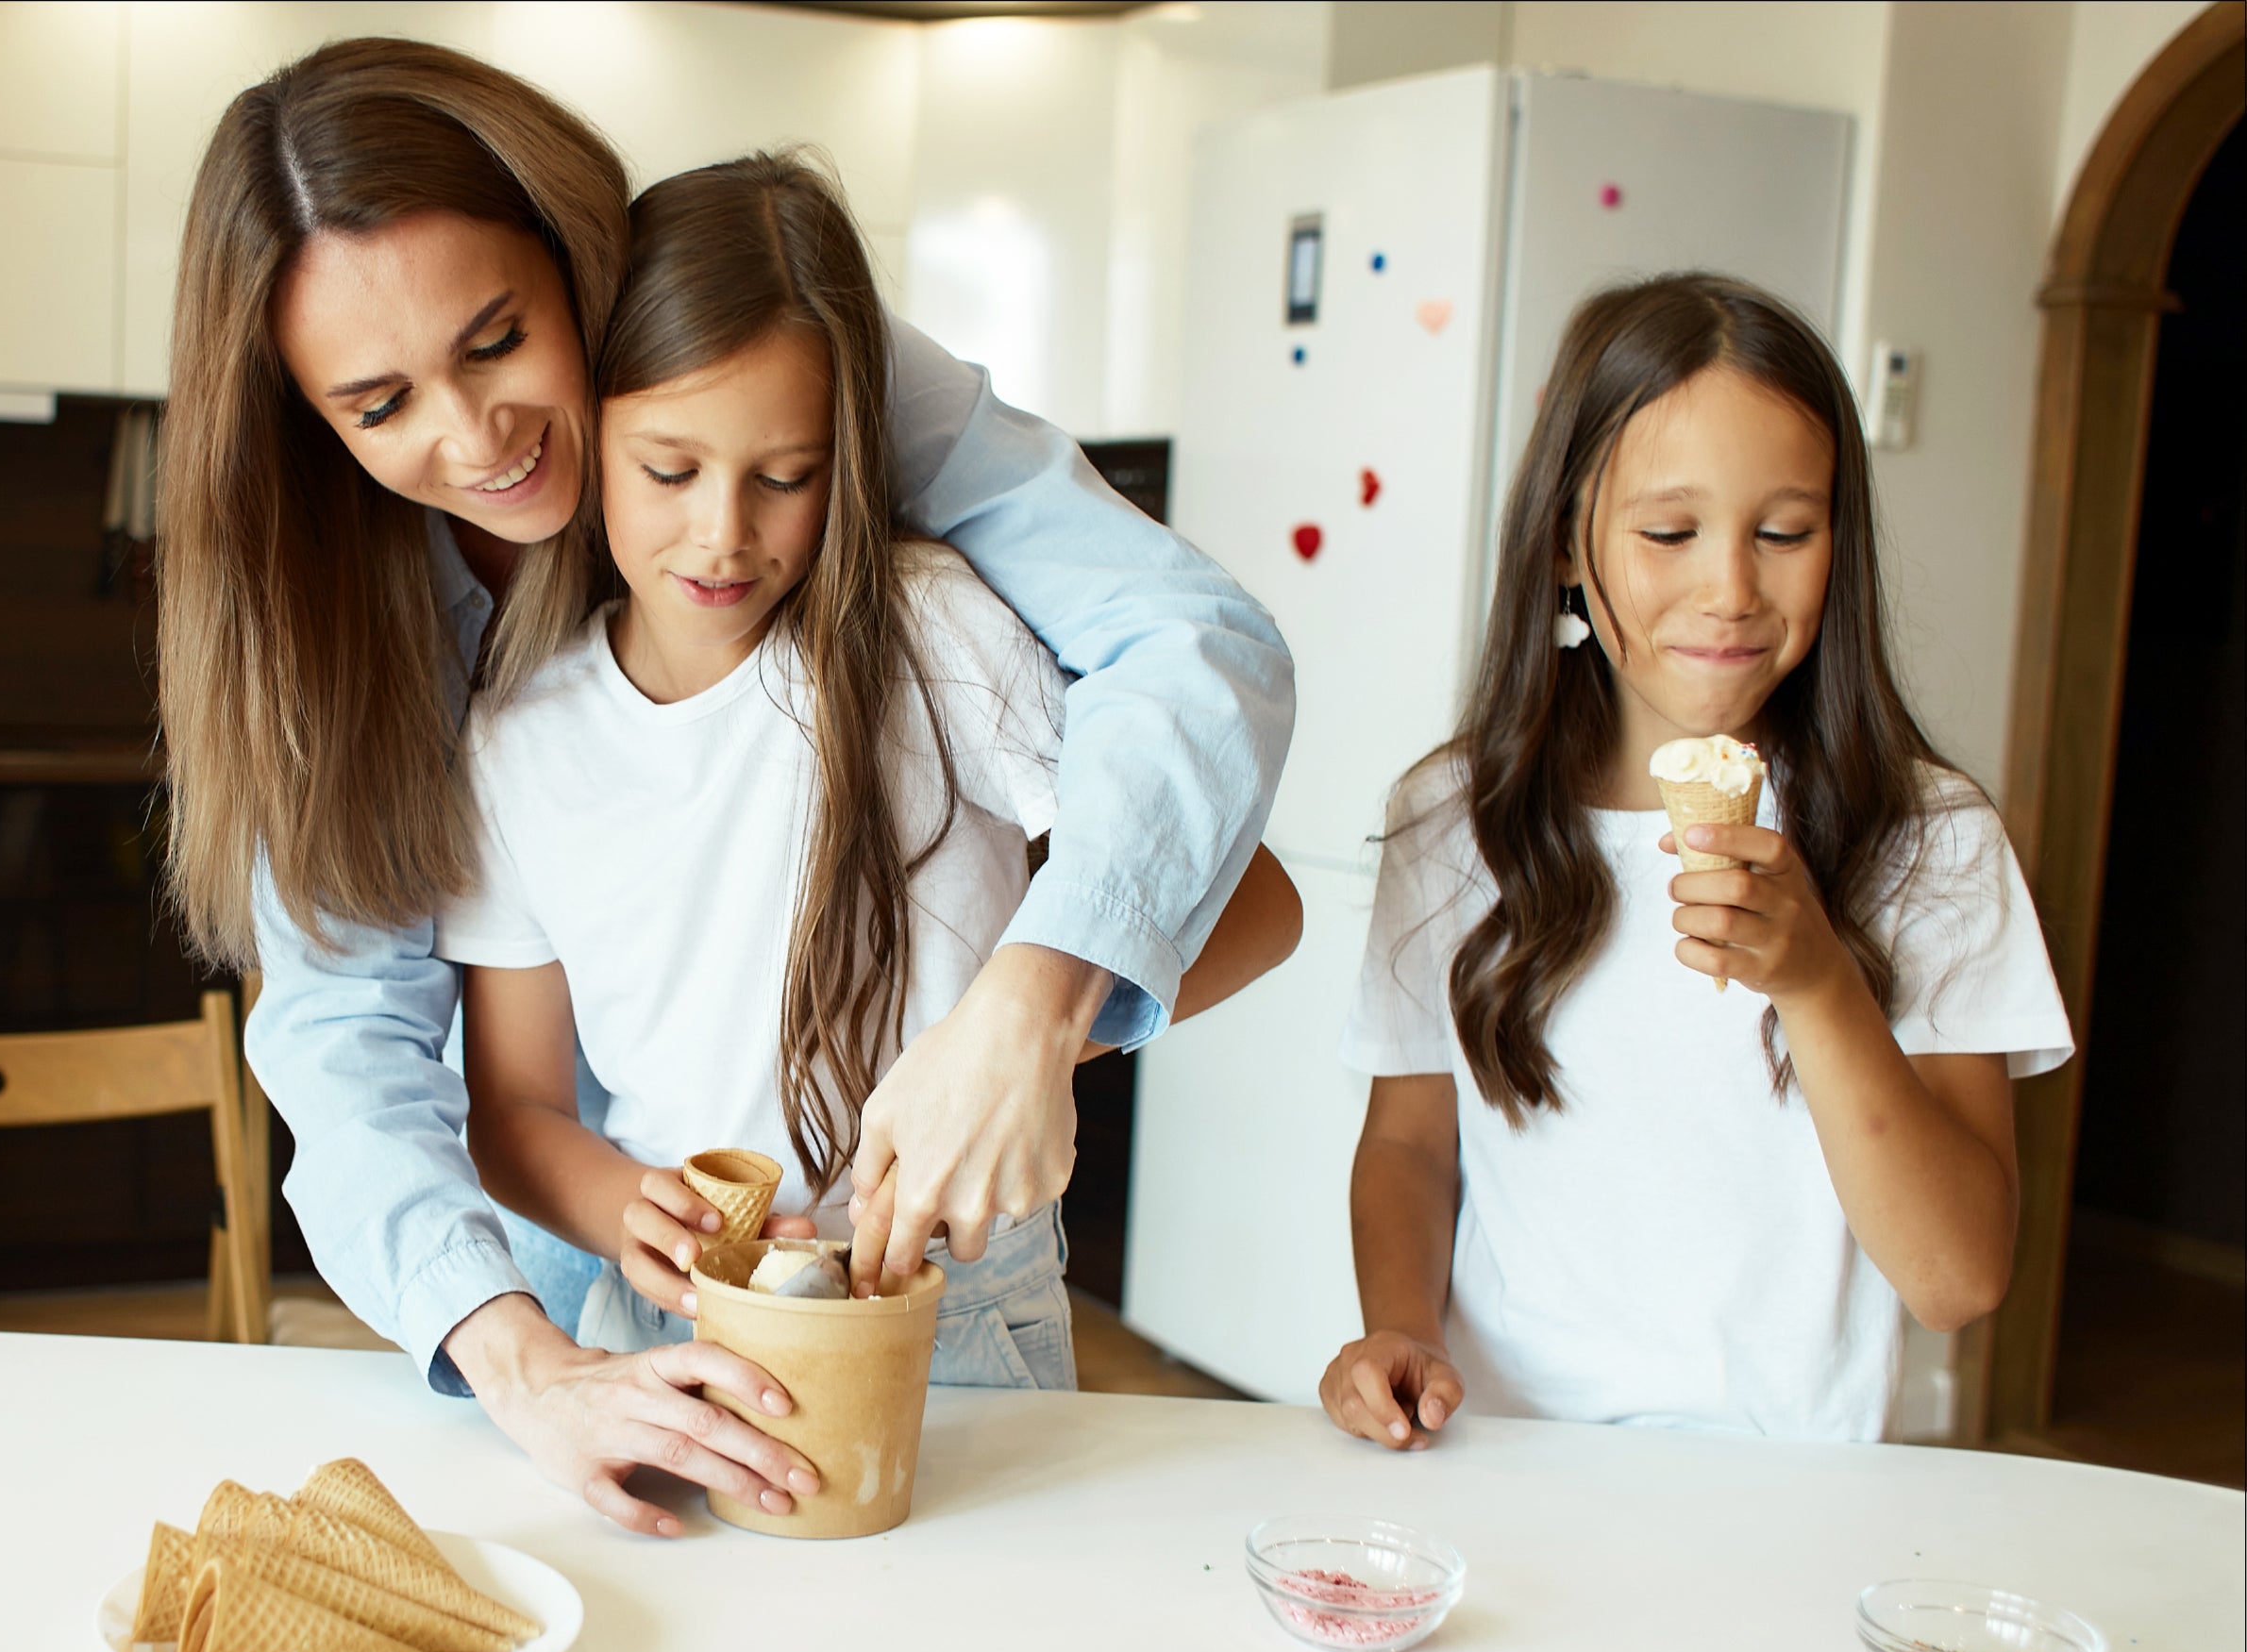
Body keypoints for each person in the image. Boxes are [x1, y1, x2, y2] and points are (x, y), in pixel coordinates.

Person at [157, 39, 1293, 1533]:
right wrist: (524, 1364)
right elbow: (355, 1047)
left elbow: (1186, 644)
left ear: (582, 270)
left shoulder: (802, 412)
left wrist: (1024, 1013)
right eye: (380, 407)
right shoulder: (457, 702)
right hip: (605, 1308)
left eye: (498, 339)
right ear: (315, 426)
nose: (473, 435)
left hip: (961, 1303)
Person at [439, 157, 1300, 1530]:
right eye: (668, 470)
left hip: (964, 1317)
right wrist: (623, 1212)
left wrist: (1022, 1045)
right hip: (669, 1340)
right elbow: (517, 1111)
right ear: (587, 437)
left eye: (789, 477)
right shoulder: (518, 737)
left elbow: (1260, 909)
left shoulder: (940, 633)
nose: (725, 534)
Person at [1320, 274, 2071, 1447]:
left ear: (1838, 545)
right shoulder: (1457, 815)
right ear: (1569, 544)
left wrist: (1819, 982)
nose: (1728, 586)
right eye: (1669, 533)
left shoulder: (1925, 840)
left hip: (1786, 1492)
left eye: (1783, 532)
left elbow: (1956, 1277)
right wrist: (1397, 1323)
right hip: (1506, 1462)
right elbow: (1411, 1140)